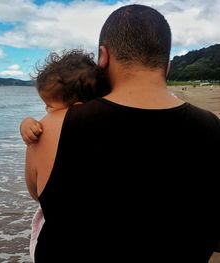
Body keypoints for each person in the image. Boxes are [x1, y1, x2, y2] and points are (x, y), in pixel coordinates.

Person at [24, 4, 220, 263]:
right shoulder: (212, 128)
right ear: (168, 66)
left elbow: (38, 193)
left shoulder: (49, 128)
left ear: (102, 57)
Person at [21, 49, 109, 261]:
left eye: (49, 105)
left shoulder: (48, 130)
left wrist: (30, 127)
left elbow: (35, 193)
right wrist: (26, 123)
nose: (46, 111)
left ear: (76, 107)